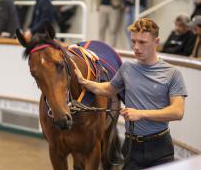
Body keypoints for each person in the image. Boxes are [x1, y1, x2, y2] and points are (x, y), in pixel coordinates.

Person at [73, 18, 187, 169]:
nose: (136, 47)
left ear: (156, 41)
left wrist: (140, 114)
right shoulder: (127, 68)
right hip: (131, 148)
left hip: (160, 148)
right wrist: (84, 82)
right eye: (133, 42)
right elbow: (108, 89)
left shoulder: (172, 73)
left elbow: (177, 112)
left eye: (142, 42)